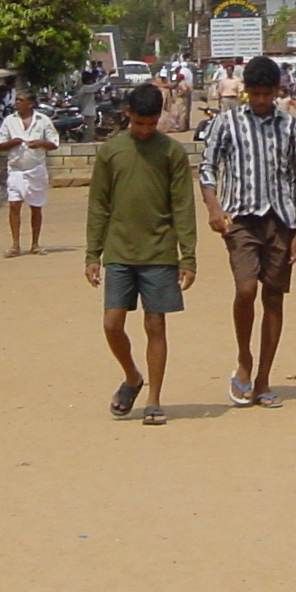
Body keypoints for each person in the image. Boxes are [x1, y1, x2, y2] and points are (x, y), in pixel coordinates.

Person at [197, 55, 296, 409]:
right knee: (246, 288)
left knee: (273, 297)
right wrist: (214, 207)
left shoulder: (291, 127)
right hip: (241, 219)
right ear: (245, 91)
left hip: (281, 220)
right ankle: (244, 359)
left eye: (268, 94)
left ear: (278, 92)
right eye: (256, 94)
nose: (262, 101)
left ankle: (262, 378)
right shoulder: (227, 123)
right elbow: (207, 167)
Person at [84, 83, 197, 427]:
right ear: (128, 115)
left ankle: (154, 399)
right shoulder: (111, 152)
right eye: (139, 124)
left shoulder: (172, 153)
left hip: (160, 252)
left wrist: (188, 256)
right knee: (112, 323)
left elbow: (182, 205)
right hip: (119, 250)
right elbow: (99, 204)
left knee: (155, 325)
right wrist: (92, 253)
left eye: (152, 124)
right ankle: (133, 376)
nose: (146, 130)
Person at [0, 89, 59, 257]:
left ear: (30, 104)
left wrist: (40, 143)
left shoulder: (43, 121)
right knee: (14, 205)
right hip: (16, 170)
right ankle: (15, 245)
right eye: (16, 100)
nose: (17, 103)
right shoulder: (9, 121)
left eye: (21, 100)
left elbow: (54, 143)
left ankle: (35, 244)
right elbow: (0, 145)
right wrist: (12, 143)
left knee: (36, 208)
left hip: (36, 169)